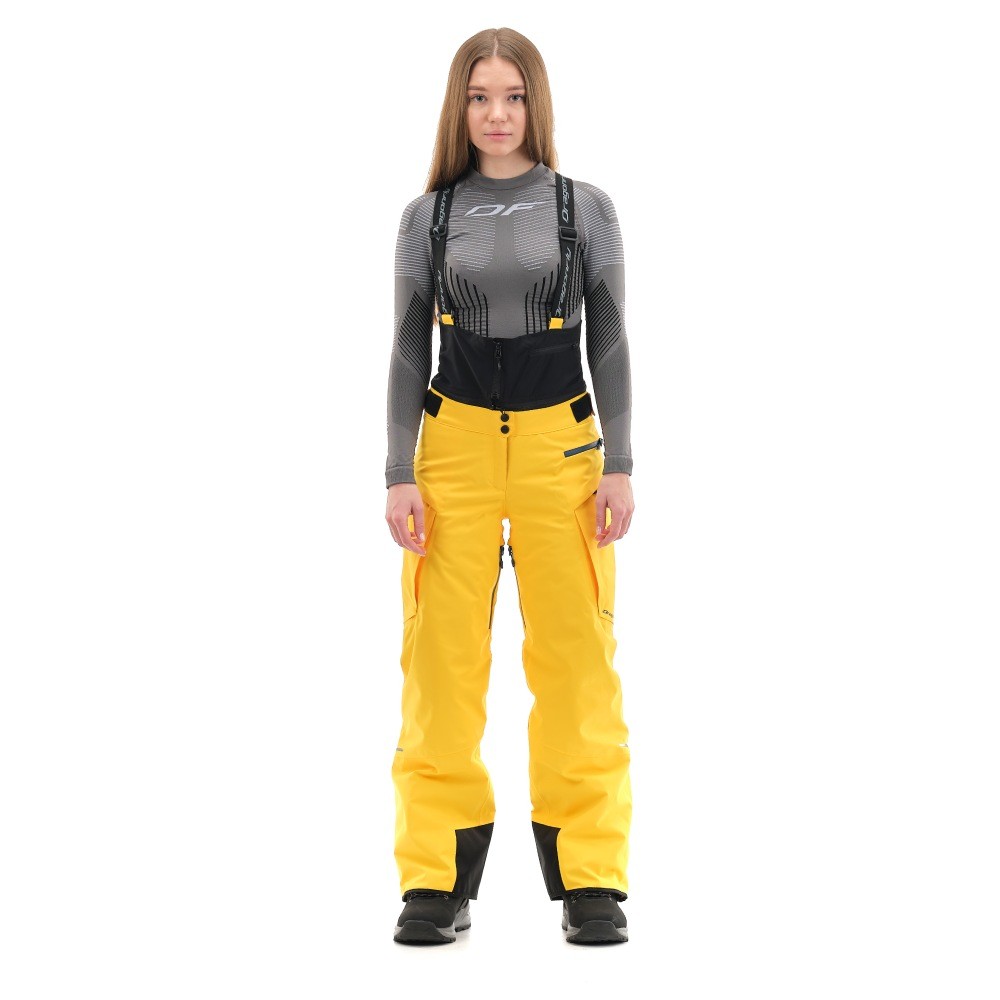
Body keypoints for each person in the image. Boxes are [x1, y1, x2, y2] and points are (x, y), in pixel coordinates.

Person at [384, 27, 635, 946]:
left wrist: (619, 462)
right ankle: (435, 880)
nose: (497, 114)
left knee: (575, 662)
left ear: (537, 103)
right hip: (451, 448)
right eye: (480, 97)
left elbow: (611, 339)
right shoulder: (427, 218)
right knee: (441, 666)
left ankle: (591, 879)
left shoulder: (585, 209)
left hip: (560, 449)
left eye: (514, 96)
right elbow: (407, 348)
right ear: (460, 106)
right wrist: (399, 473)